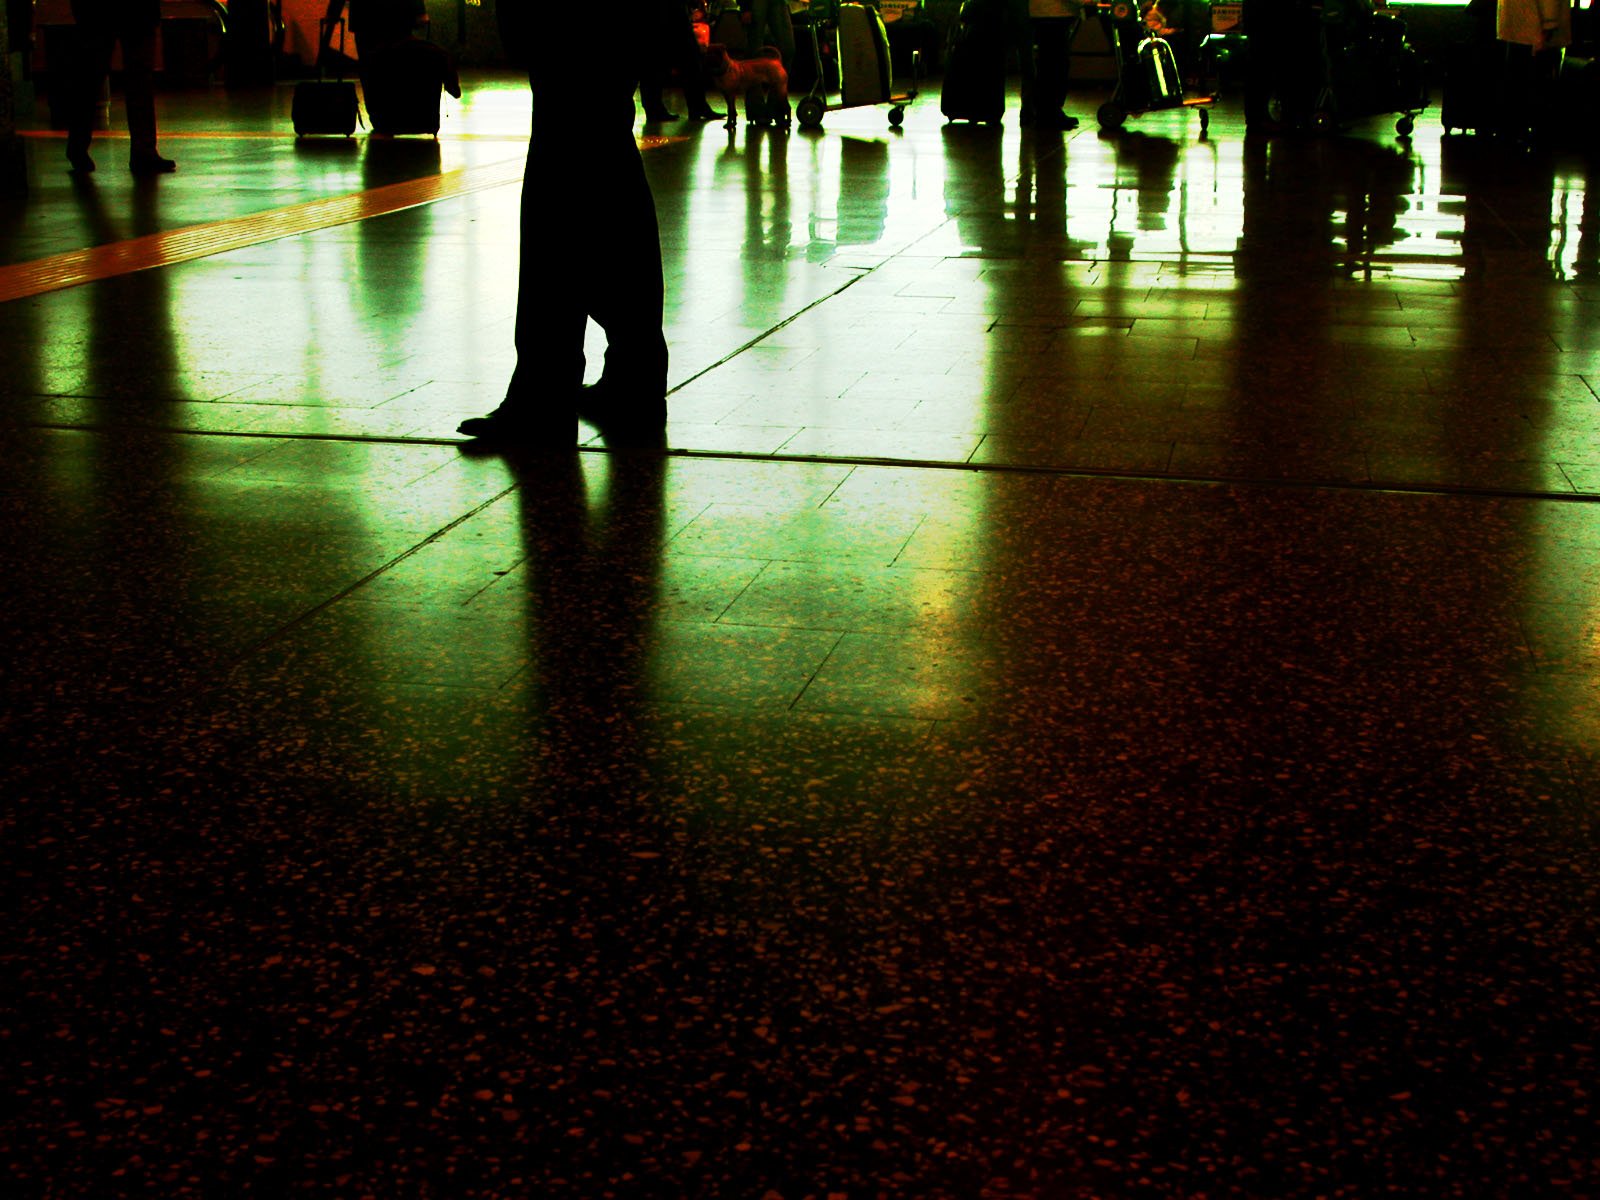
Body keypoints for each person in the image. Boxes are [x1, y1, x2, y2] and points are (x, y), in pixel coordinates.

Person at [457, 2, 669, 446]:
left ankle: (544, 394)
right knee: (612, 174)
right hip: (619, 32)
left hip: (564, 34)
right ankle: (635, 378)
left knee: (556, 211)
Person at [63, 0, 173, 174]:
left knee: (91, 78)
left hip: (97, 11)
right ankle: (144, 151)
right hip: (138, 10)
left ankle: (77, 146)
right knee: (140, 81)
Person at [1495, 0, 1572, 142]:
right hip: (1535, 29)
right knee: (1539, 85)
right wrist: (1550, 22)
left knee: (1518, 83)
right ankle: (1538, 133)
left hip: (1519, 27)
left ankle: (1515, 131)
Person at [639, 1, 722, 123]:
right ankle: (697, 106)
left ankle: (655, 109)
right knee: (684, 57)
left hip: (660, 12)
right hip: (667, 12)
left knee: (656, 61)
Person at [1026, 0, 1082, 130]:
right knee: (1055, 67)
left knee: (1049, 65)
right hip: (1053, 14)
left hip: (1045, 13)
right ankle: (1051, 113)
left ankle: (1047, 112)